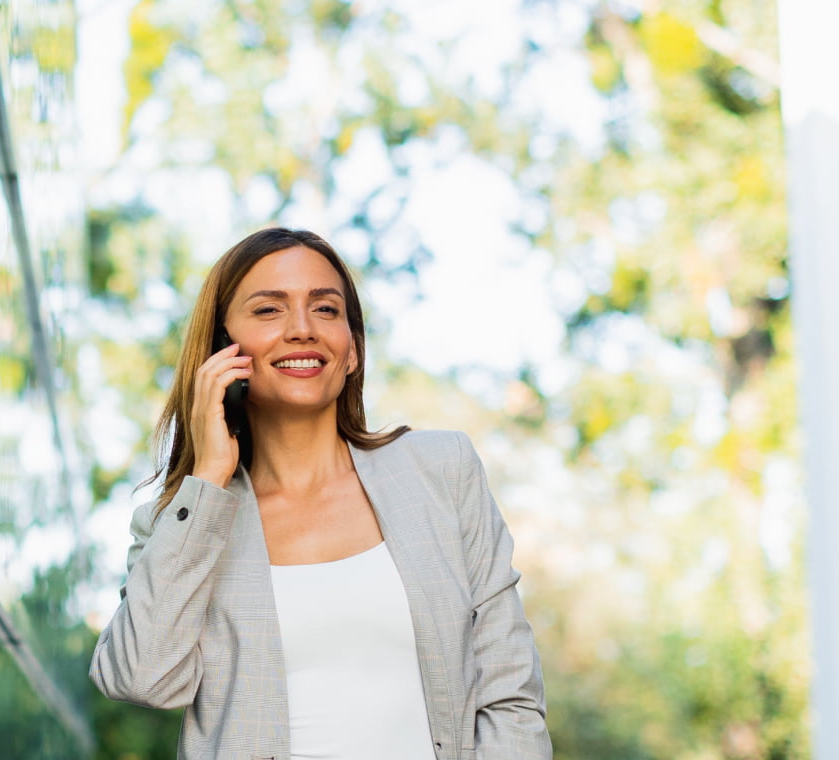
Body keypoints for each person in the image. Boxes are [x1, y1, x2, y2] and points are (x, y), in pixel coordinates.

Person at [90, 228, 549, 759]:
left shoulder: (441, 471)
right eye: (269, 311)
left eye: (326, 310)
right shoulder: (182, 521)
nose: (302, 329)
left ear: (351, 349)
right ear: (223, 350)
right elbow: (142, 680)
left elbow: (511, 692)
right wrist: (210, 475)